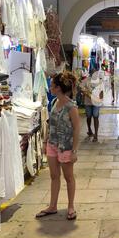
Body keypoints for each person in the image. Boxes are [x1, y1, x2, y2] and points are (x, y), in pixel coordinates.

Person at [36, 71, 81, 221]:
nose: (50, 87)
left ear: (59, 88)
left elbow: (76, 130)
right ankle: (52, 206)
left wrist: (74, 151)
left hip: (66, 147)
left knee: (69, 177)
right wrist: (45, 141)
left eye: (53, 85)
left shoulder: (71, 106)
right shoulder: (55, 102)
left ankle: (71, 206)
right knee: (54, 176)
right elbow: (51, 125)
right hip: (52, 144)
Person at [83, 72, 103, 142]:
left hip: (96, 103)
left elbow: (101, 92)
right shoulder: (86, 81)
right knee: (88, 117)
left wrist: (100, 100)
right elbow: (82, 89)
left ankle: (96, 135)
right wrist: (86, 93)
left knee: (95, 116)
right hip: (88, 102)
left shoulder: (100, 82)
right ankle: (89, 130)